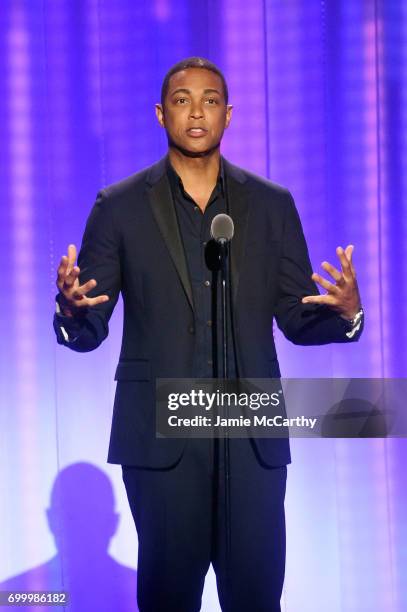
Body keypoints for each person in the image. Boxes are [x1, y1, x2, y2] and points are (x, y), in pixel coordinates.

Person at [54, 57, 363, 612]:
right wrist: (72, 311)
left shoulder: (271, 205)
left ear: (228, 114)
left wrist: (346, 315)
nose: (197, 111)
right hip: (162, 442)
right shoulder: (119, 206)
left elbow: (295, 317)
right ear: (160, 113)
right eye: (181, 99)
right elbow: (90, 323)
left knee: (256, 598)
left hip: (251, 441)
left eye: (211, 99)